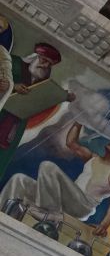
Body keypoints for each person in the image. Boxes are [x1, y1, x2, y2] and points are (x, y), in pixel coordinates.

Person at [0, 121, 110, 235]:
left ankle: (47, 213)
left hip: (83, 206)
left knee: (48, 166)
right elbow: (71, 143)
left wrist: (104, 225)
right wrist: (79, 121)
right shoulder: (93, 158)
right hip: (66, 199)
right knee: (19, 179)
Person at [0, 42, 75, 180]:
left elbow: (41, 99)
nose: (45, 66)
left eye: (50, 64)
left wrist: (64, 96)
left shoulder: (41, 81)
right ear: (34, 56)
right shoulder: (12, 62)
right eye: (44, 60)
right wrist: (13, 86)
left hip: (13, 128)